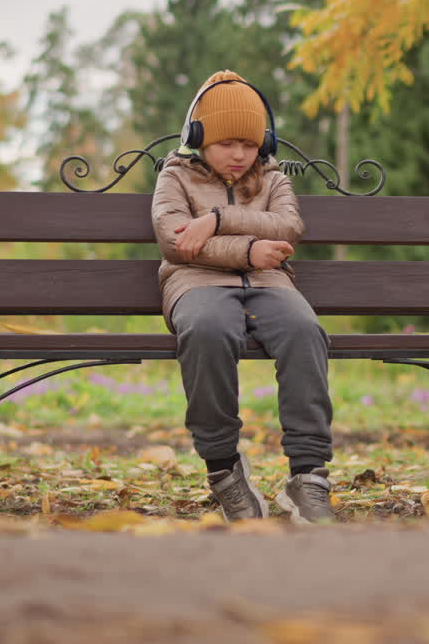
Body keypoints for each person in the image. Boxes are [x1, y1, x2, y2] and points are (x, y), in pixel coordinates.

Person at [150, 70, 336, 523]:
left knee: (304, 331)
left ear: (264, 145)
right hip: (195, 283)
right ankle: (223, 470)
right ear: (199, 137)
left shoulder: (273, 179)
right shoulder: (174, 177)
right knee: (208, 331)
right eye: (226, 143)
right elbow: (176, 243)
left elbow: (288, 226)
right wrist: (251, 248)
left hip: (271, 284)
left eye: (249, 145)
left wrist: (214, 219)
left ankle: (308, 475)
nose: (238, 155)